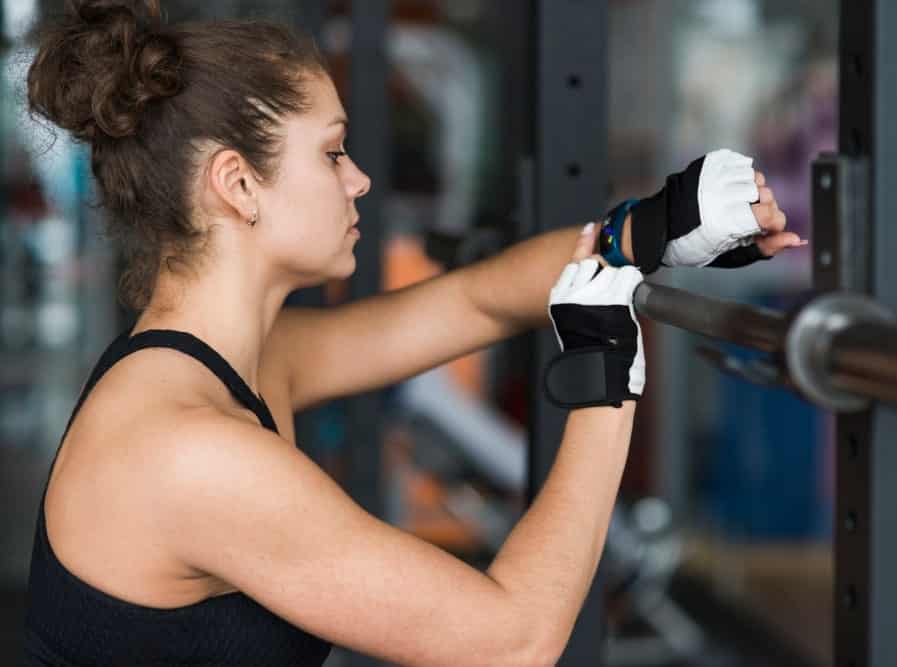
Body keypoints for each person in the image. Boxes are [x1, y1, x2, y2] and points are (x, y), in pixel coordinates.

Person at [20, 2, 801, 665]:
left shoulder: (244, 362)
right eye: (331, 153)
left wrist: (653, 229)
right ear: (237, 184)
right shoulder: (187, 449)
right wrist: (607, 377)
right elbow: (513, 640)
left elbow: (476, 302)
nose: (358, 178)